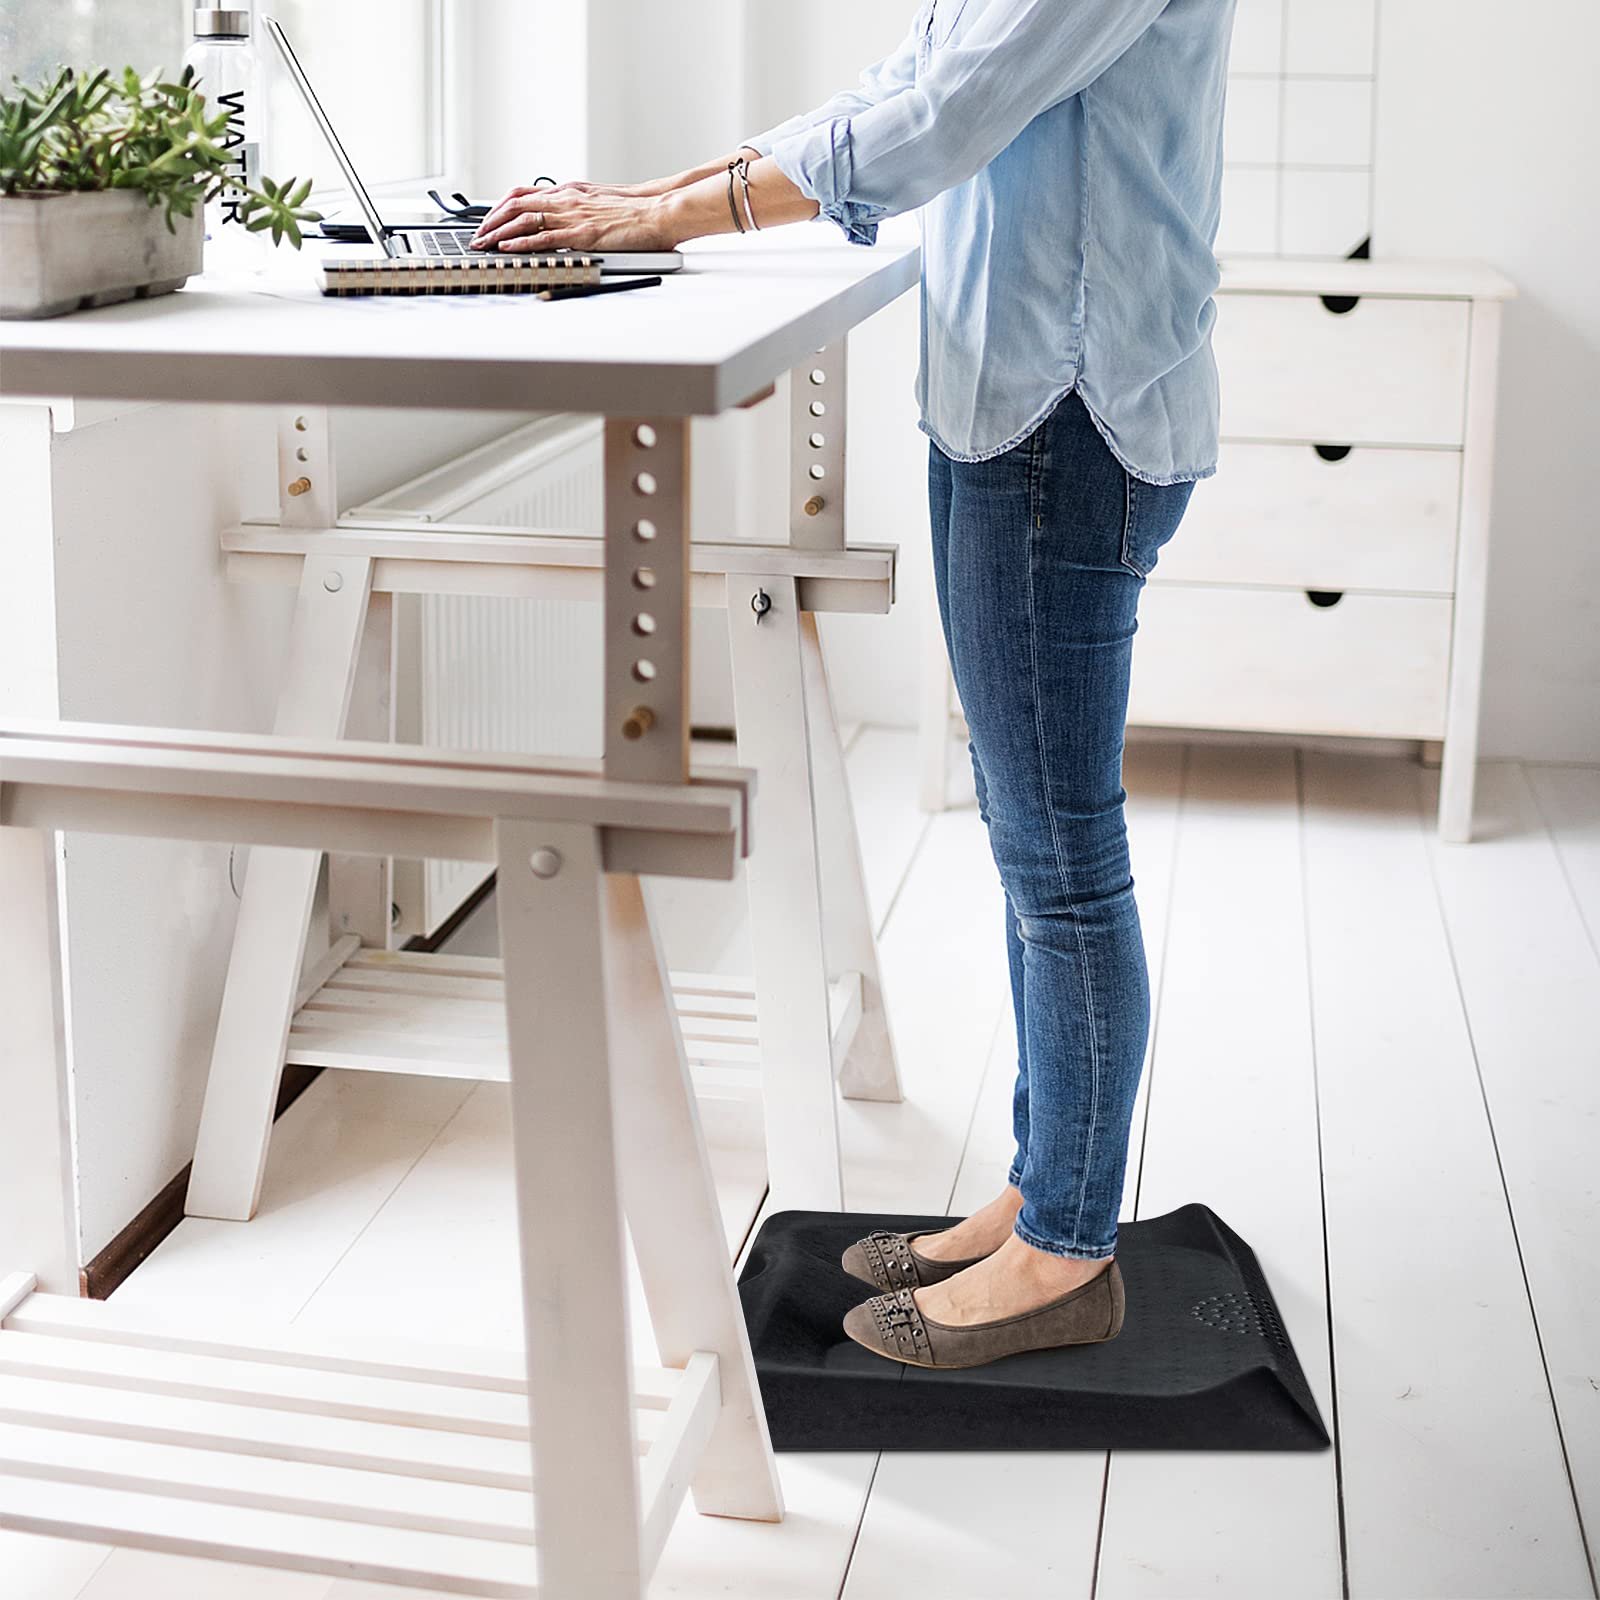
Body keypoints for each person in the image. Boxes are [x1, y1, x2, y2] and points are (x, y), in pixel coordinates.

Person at [473, 0, 1234, 1370]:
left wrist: (670, 219)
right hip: (1013, 404)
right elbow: (915, 78)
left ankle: (1069, 1253)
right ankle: (1042, 1187)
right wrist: (647, 197)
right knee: (1031, 843)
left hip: (1072, 416)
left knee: (1061, 855)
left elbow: (941, 122)